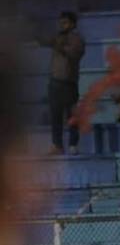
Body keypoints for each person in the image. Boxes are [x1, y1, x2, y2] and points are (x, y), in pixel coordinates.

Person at [38, 11, 86, 155]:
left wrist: (59, 45)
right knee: (56, 116)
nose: (62, 25)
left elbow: (74, 54)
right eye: (61, 22)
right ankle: (57, 145)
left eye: (65, 22)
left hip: (69, 83)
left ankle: (73, 144)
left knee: (72, 115)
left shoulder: (77, 39)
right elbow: (44, 41)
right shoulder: (57, 37)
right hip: (55, 82)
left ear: (72, 24)